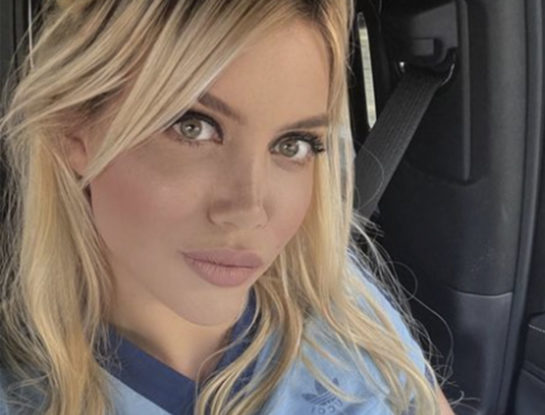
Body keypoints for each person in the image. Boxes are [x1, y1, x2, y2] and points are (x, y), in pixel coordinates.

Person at [0, 0, 456, 414]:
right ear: (74, 133)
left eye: (293, 144)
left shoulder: (340, 297)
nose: (250, 209)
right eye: (193, 127)